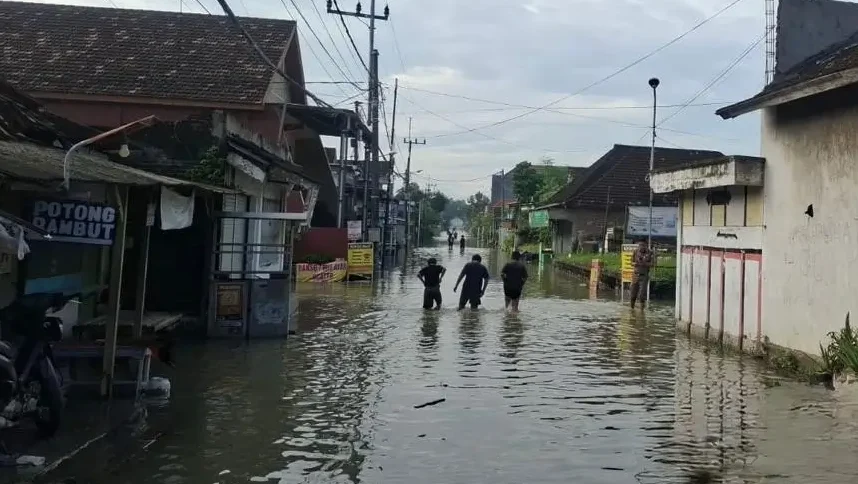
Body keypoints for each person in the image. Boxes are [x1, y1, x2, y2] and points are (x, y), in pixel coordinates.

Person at [629, 239, 656, 309]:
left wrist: (645, 263)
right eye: (640, 245)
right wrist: (635, 263)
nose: (641, 247)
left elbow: (653, 264)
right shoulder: (635, 251)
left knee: (642, 295)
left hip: (644, 276)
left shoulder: (650, 253)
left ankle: (642, 310)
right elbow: (631, 262)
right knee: (633, 294)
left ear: (646, 246)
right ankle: (632, 309)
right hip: (635, 275)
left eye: (643, 245)